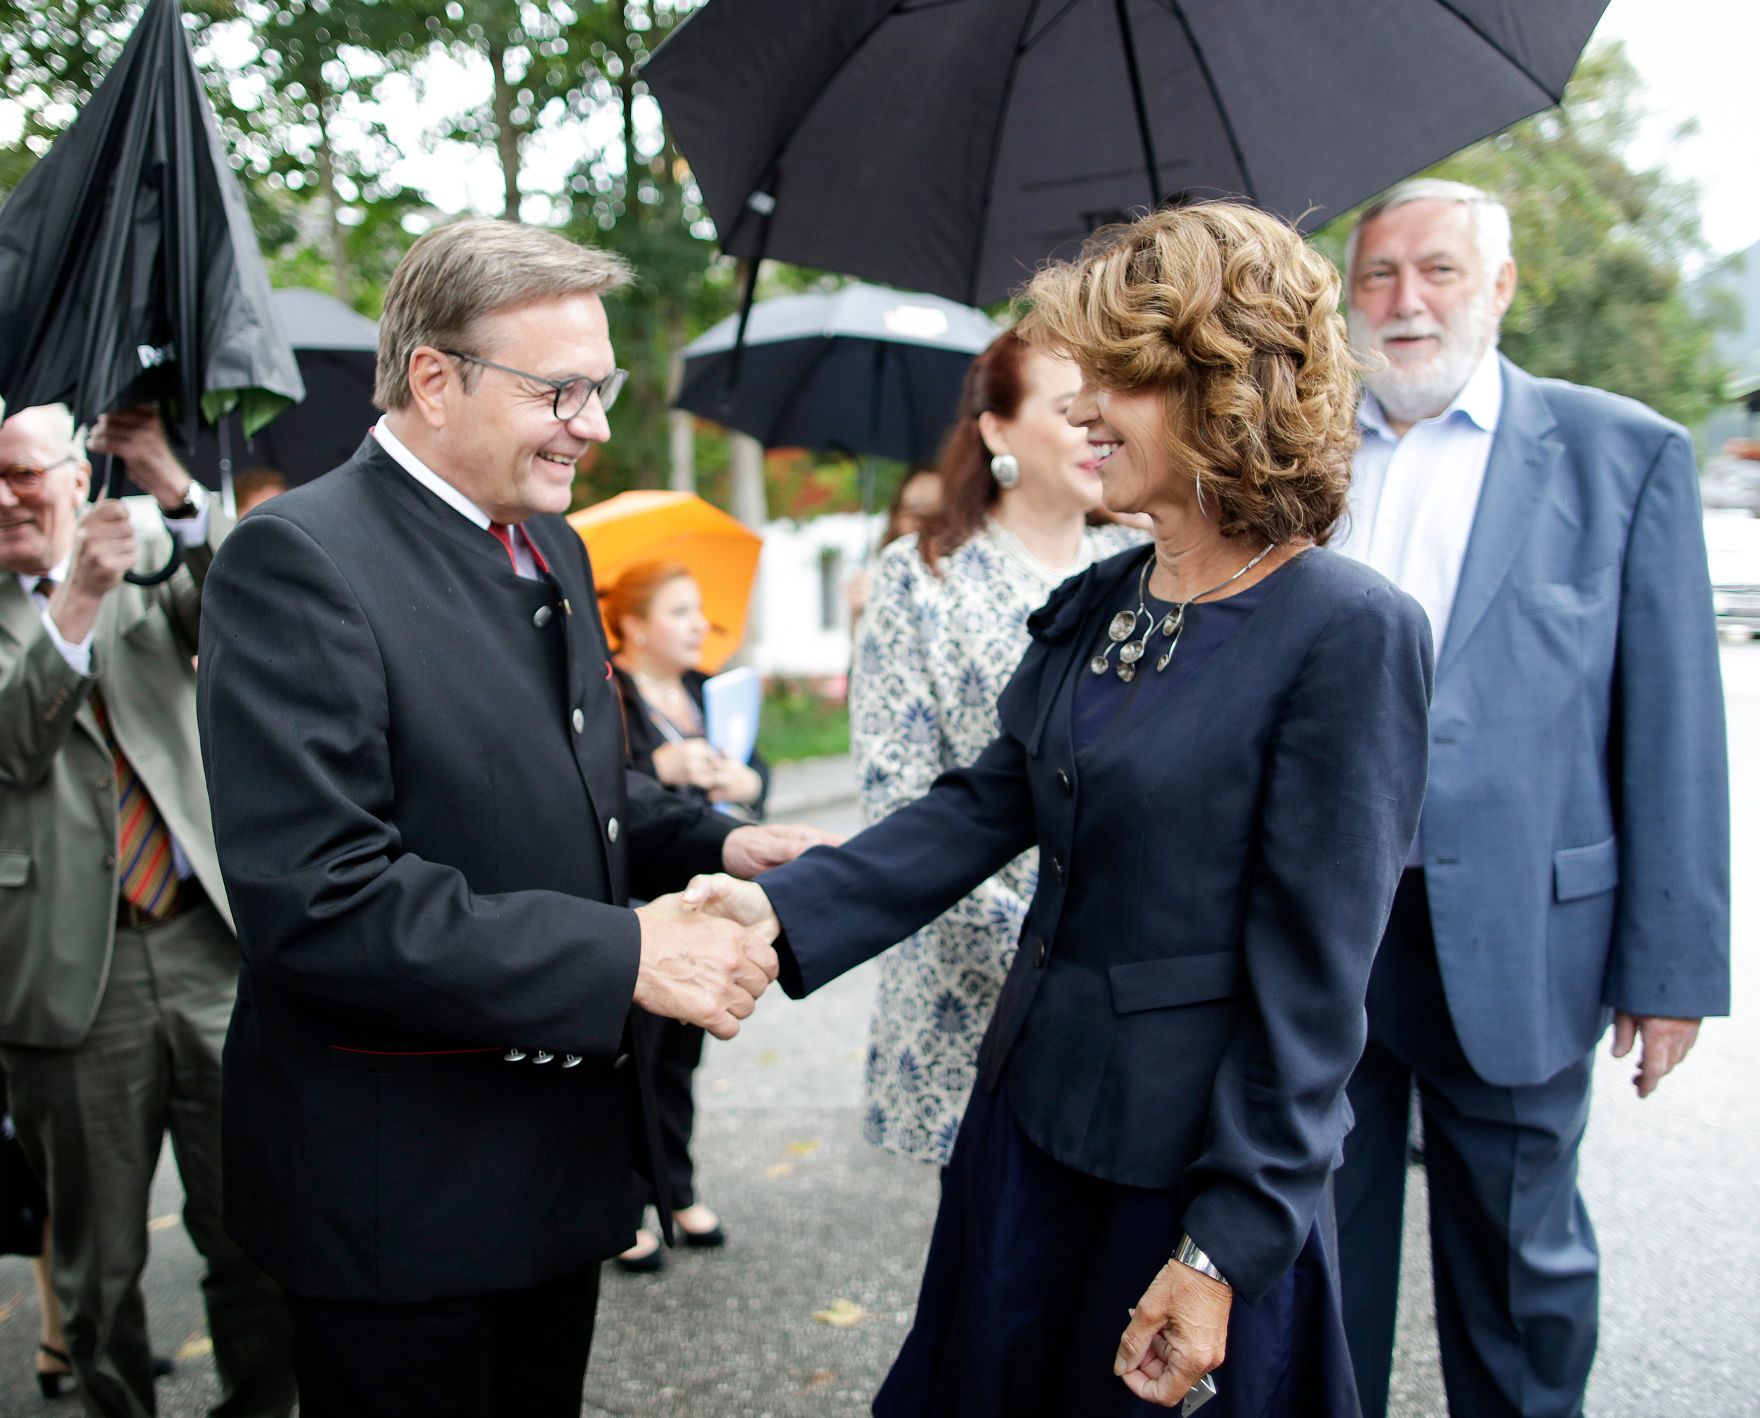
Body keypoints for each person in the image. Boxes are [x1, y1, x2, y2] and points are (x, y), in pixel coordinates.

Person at [688, 202, 1434, 1416]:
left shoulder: (1345, 630)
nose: (1082, 406)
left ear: (1226, 384)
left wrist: (1220, 1250)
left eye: (1121, 377)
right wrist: (777, 910)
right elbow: (984, 803)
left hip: (1183, 1171)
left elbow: (1313, 991)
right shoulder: (1102, 598)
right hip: (1022, 1125)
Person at [195, 217, 822, 1418]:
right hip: (401, 1188)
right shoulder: (299, 558)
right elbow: (317, 897)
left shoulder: (554, 544)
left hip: (554, 1160)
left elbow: (577, 793)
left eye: (601, 386)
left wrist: (711, 837)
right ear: (434, 377)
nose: (592, 421)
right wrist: (631, 949)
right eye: (561, 389)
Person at [1330, 178, 1731, 1418]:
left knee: (1518, 1265)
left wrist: (1668, 967)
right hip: (1318, 923)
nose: (1404, 302)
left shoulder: (1623, 453)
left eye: (1436, 270)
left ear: (1497, 286)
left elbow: (1670, 724)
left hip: (1518, 929)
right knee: (1307, 1245)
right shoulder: (1291, 452)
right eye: (1377, 275)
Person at [0, 403, 296, 1417]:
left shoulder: (150, 560)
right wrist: (74, 599)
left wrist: (174, 485)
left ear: (79, 476)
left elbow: (258, 613)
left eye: (25, 472)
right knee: (99, 1259)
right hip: (67, 973)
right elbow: (11, 746)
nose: (7, 495)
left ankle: (260, 1403)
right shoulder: (70, 589)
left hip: (205, 942)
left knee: (254, 1222)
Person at [851, 329, 1139, 1167]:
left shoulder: (1145, 565)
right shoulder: (921, 577)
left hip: (1128, 990)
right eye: (1066, 406)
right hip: (973, 979)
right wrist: (1050, 950)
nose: (1096, 425)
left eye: (1106, 404)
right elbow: (895, 796)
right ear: (997, 429)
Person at [604, 559, 770, 1270]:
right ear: (635, 626)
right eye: (679, 612)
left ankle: (676, 1187)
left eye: (699, 611)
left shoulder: (712, 689)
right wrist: (662, 772)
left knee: (682, 1054)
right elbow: (597, 787)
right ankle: (626, 1202)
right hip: (639, 900)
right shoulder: (612, 694)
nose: (699, 625)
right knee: (630, 1056)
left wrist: (749, 780)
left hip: (707, 891)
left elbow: (757, 767)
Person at [843, 466, 942, 626]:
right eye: (915, 508)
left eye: (937, 511)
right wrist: (859, 615)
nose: (924, 521)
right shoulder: (878, 576)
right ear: (897, 515)